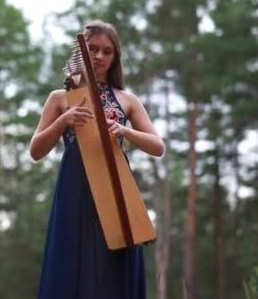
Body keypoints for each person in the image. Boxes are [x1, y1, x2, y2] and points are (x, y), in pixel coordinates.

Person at [30, 20, 165, 298]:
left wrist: (125, 130)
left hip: (116, 185)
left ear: (115, 58)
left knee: (114, 258)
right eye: (92, 49)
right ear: (80, 54)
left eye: (107, 51)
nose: (100, 57)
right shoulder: (60, 98)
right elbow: (35, 150)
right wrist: (64, 120)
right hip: (74, 185)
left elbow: (157, 146)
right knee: (73, 260)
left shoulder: (127, 99)